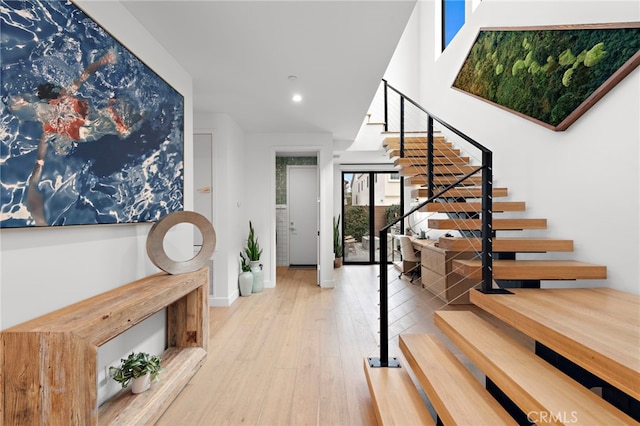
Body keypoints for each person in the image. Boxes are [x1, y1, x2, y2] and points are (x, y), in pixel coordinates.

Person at [7, 48, 134, 225]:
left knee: (110, 116)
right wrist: (103, 60)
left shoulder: (49, 126)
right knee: (119, 119)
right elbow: (85, 74)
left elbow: (39, 162)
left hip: (90, 124)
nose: (62, 92)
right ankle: (118, 119)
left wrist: (103, 60)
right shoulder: (49, 126)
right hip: (90, 126)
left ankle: (117, 117)